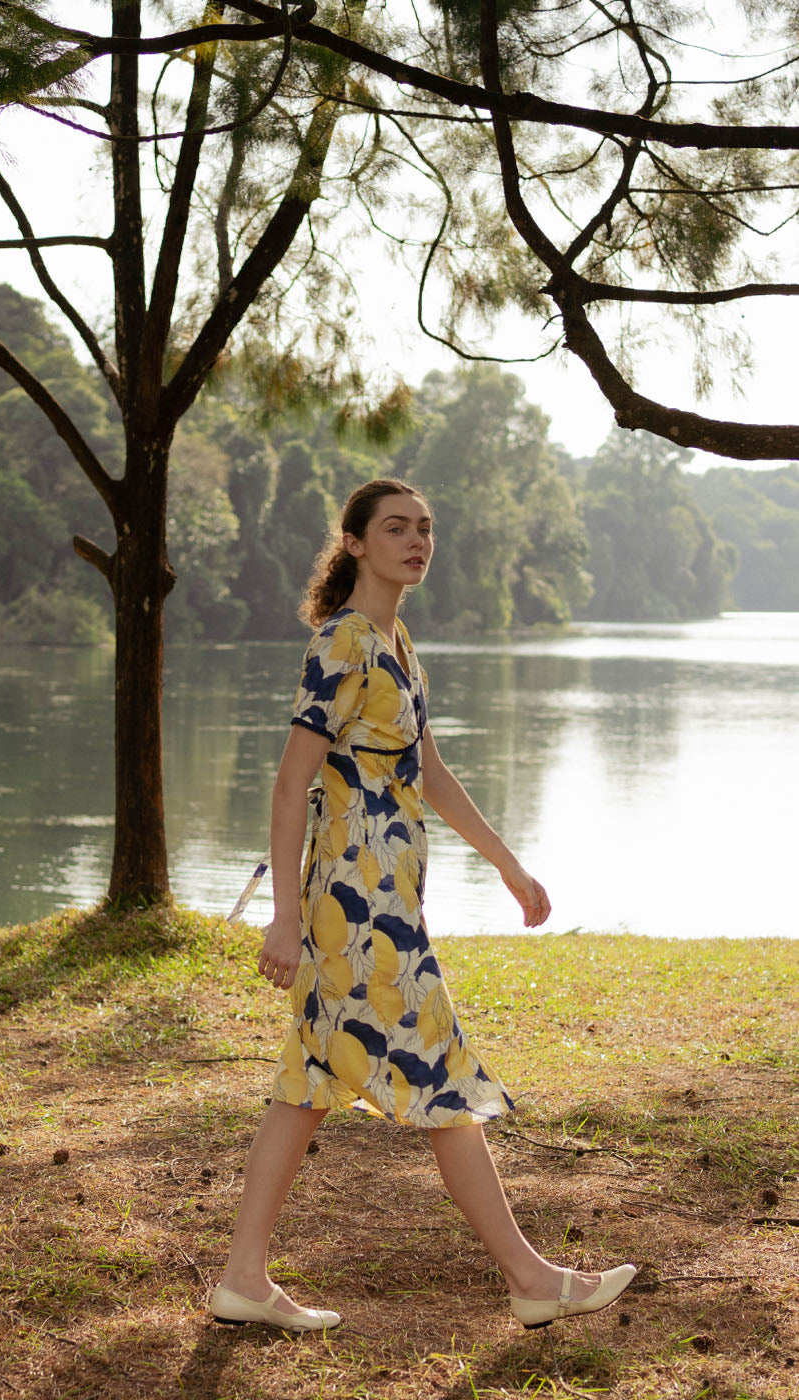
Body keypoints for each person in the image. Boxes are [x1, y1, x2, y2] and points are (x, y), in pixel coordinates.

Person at [212, 478, 635, 1333]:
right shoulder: (341, 643)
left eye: (426, 529)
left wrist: (510, 867)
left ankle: (243, 1281)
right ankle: (531, 1279)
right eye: (397, 528)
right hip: (356, 908)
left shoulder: (396, 642)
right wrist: (286, 918)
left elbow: (429, 773)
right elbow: (293, 780)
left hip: (386, 896)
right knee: (441, 1076)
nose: (417, 541)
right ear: (356, 543)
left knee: (309, 1081)